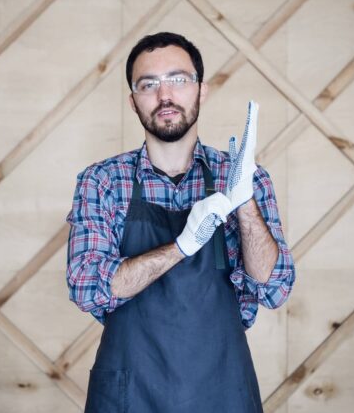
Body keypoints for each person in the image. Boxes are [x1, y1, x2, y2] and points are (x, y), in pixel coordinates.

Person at [66, 31, 295, 412]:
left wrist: (244, 201)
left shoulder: (241, 176)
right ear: (133, 101)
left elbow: (273, 287)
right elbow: (86, 287)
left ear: (201, 91)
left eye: (178, 79)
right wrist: (180, 247)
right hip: (131, 394)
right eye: (148, 84)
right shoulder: (102, 181)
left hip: (221, 392)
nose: (164, 95)